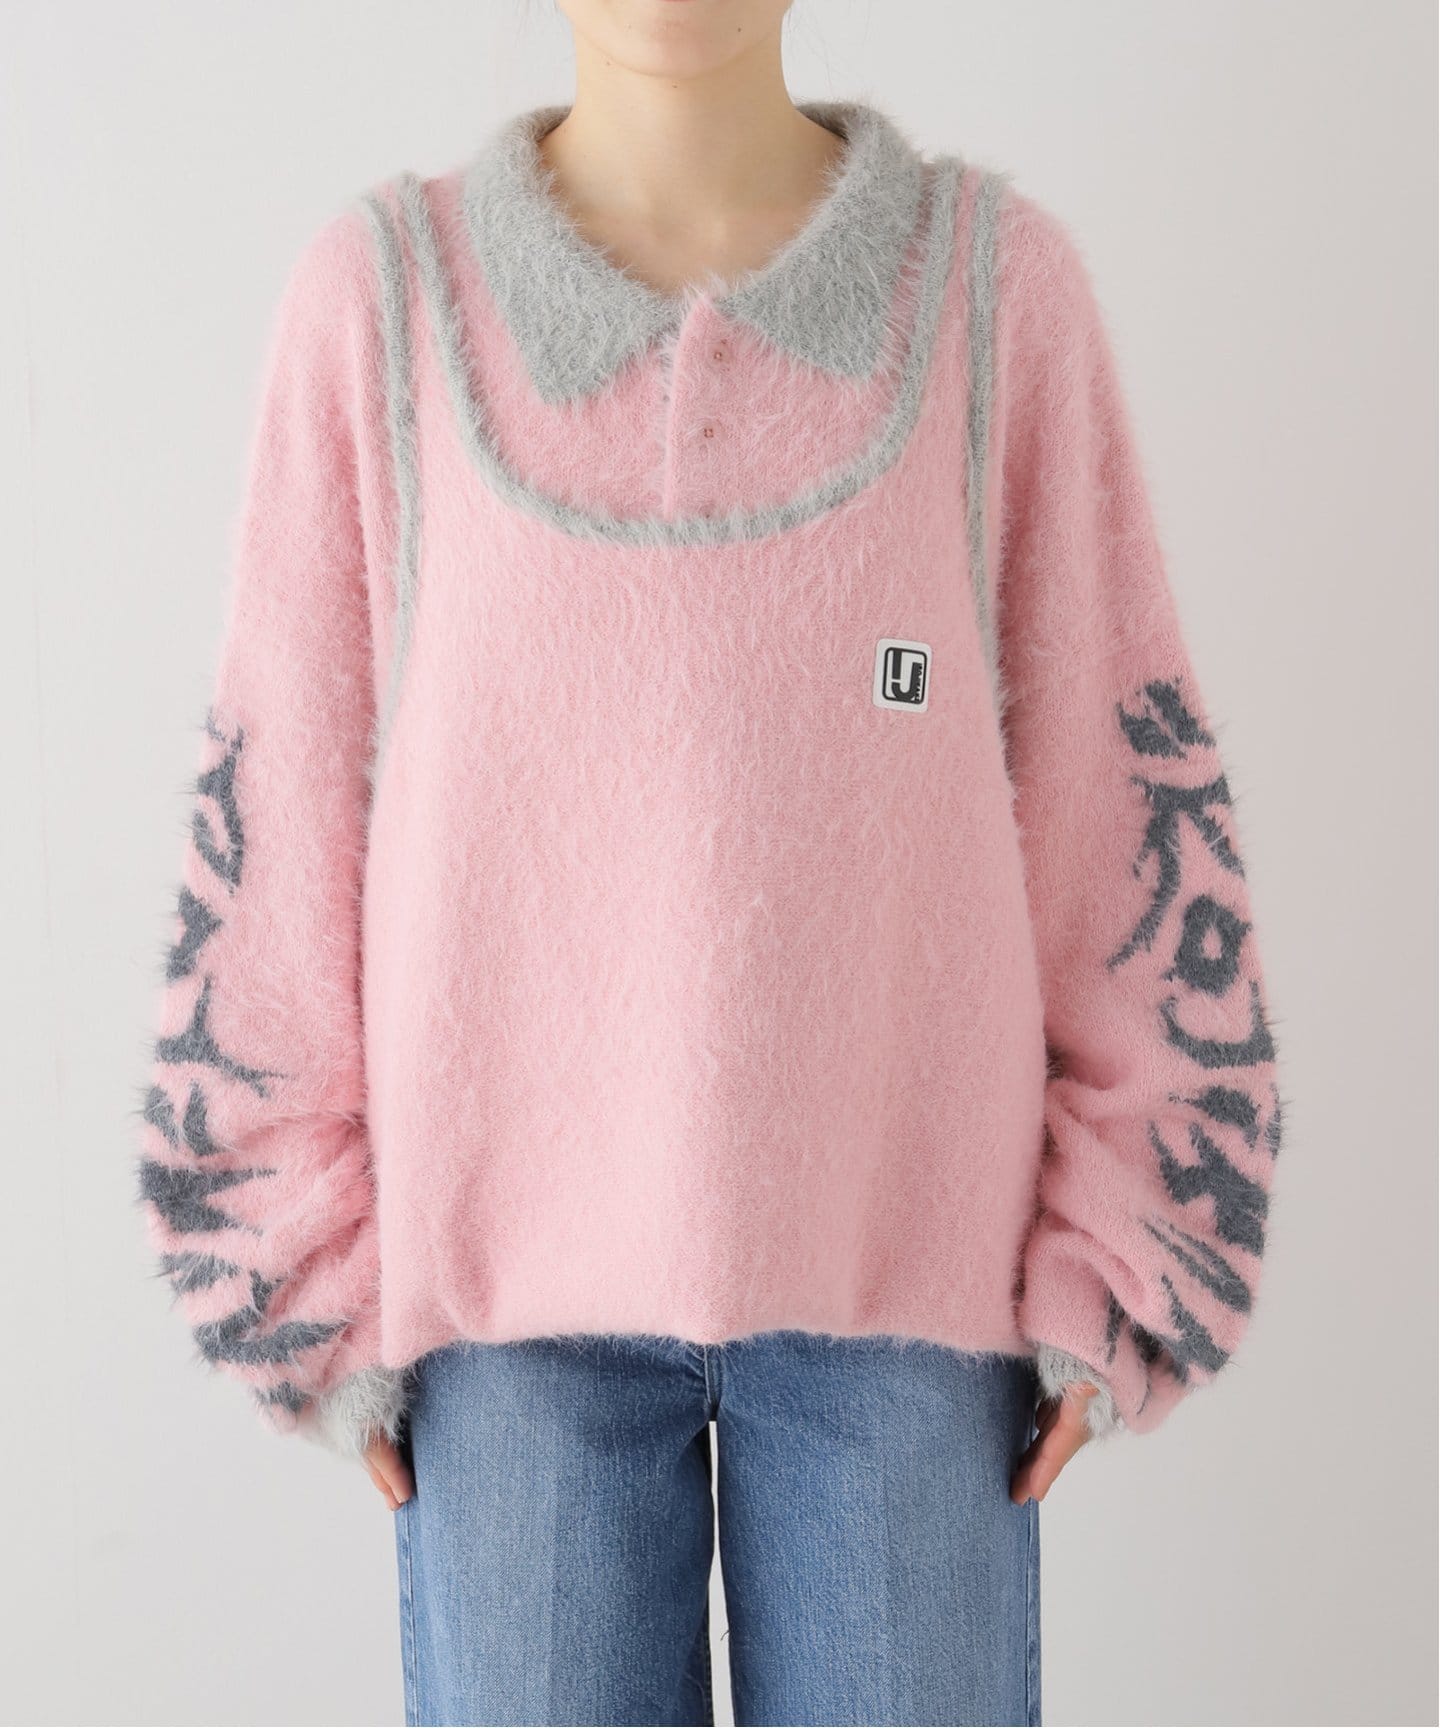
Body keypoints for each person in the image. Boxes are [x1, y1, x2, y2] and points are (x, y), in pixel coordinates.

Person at [132, 2, 1284, 1723]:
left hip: (914, 1304)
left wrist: (1134, 1237)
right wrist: (289, 1263)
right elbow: (280, 796)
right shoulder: (382, 305)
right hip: (503, 1324)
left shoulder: (991, 295)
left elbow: (1111, 779)